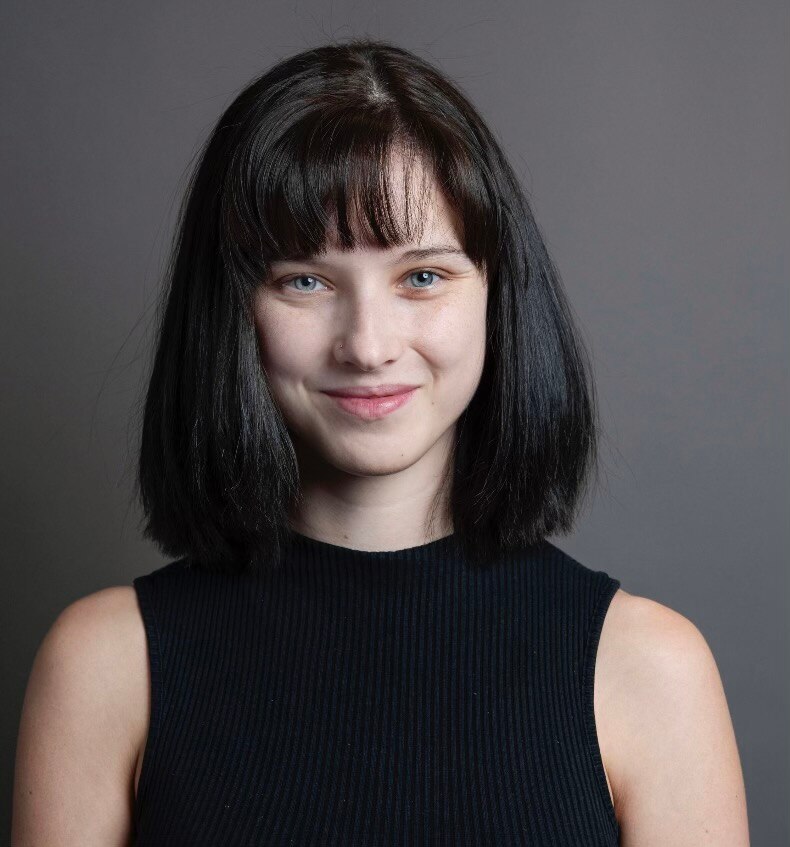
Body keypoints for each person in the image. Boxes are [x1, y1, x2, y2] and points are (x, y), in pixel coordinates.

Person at [11, 38, 750, 846]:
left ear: (495, 295)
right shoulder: (105, 666)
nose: (367, 344)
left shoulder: (650, 671)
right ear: (231, 311)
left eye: (422, 277)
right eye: (306, 280)